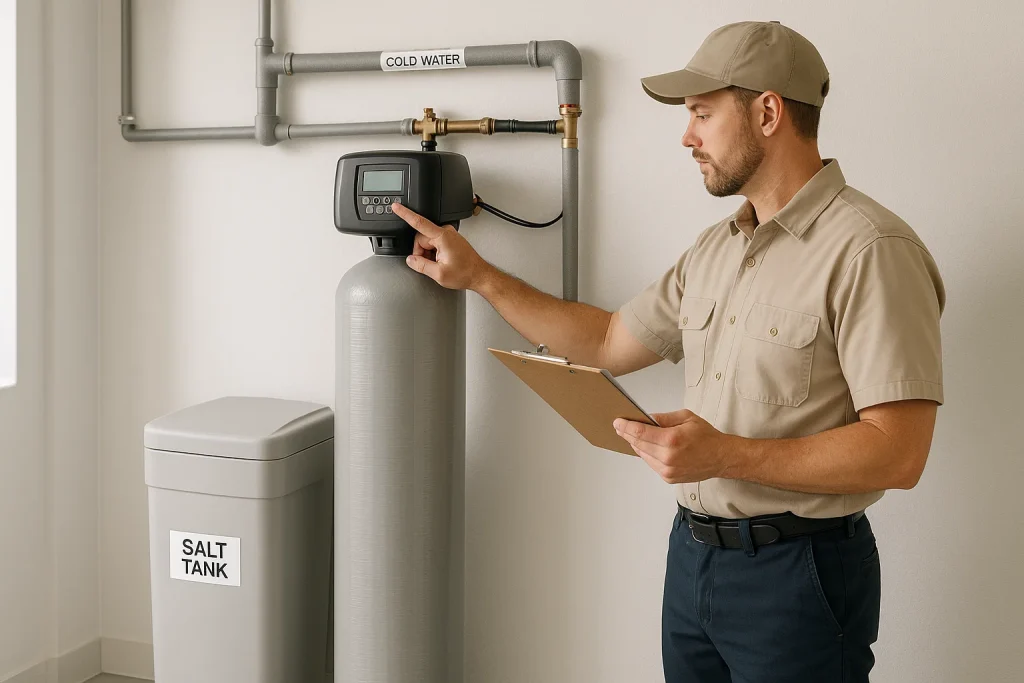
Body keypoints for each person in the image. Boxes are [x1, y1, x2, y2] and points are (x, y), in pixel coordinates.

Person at [391, 19, 945, 683]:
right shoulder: (716, 250)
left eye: (702, 113)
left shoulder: (871, 251)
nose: (687, 136)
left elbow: (899, 452)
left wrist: (726, 454)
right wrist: (480, 276)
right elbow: (605, 342)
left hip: (800, 574)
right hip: (693, 561)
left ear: (768, 112)